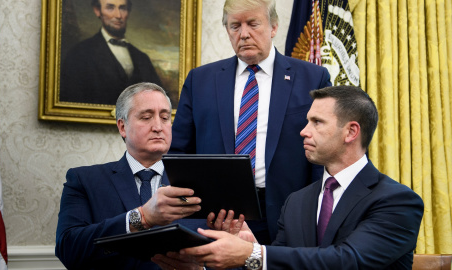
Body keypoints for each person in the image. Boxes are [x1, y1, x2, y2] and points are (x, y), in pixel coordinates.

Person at [157, 85, 424, 269]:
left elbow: (348, 261)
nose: (303, 132)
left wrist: (255, 254)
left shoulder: (398, 201)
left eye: (317, 122)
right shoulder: (296, 202)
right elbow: (278, 263)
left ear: (351, 132)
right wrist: (247, 251)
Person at [170, 0, 332, 244]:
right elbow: (179, 155)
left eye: (253, 24)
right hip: (218, 218)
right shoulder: (200, 80)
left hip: (288, 216)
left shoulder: (312, 77)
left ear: (273, 27)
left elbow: (325, 152)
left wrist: (314, 214)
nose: (243, 34)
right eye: (235, 26)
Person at [55, 82, 204, 269]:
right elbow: (68, 250)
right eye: (147, 117)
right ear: (122, 127)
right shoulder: (84, 180)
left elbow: (222, 255)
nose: (158, 126)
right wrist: (142, 217)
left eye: (165, 117)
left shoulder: (197, 184)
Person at [60, 0, 162, 105]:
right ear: (97, 11)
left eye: (122, 8)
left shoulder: (142, 59)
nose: (118, 15)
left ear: (128, 11)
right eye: (110, 8)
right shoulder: (79, 54)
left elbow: (159, 102)